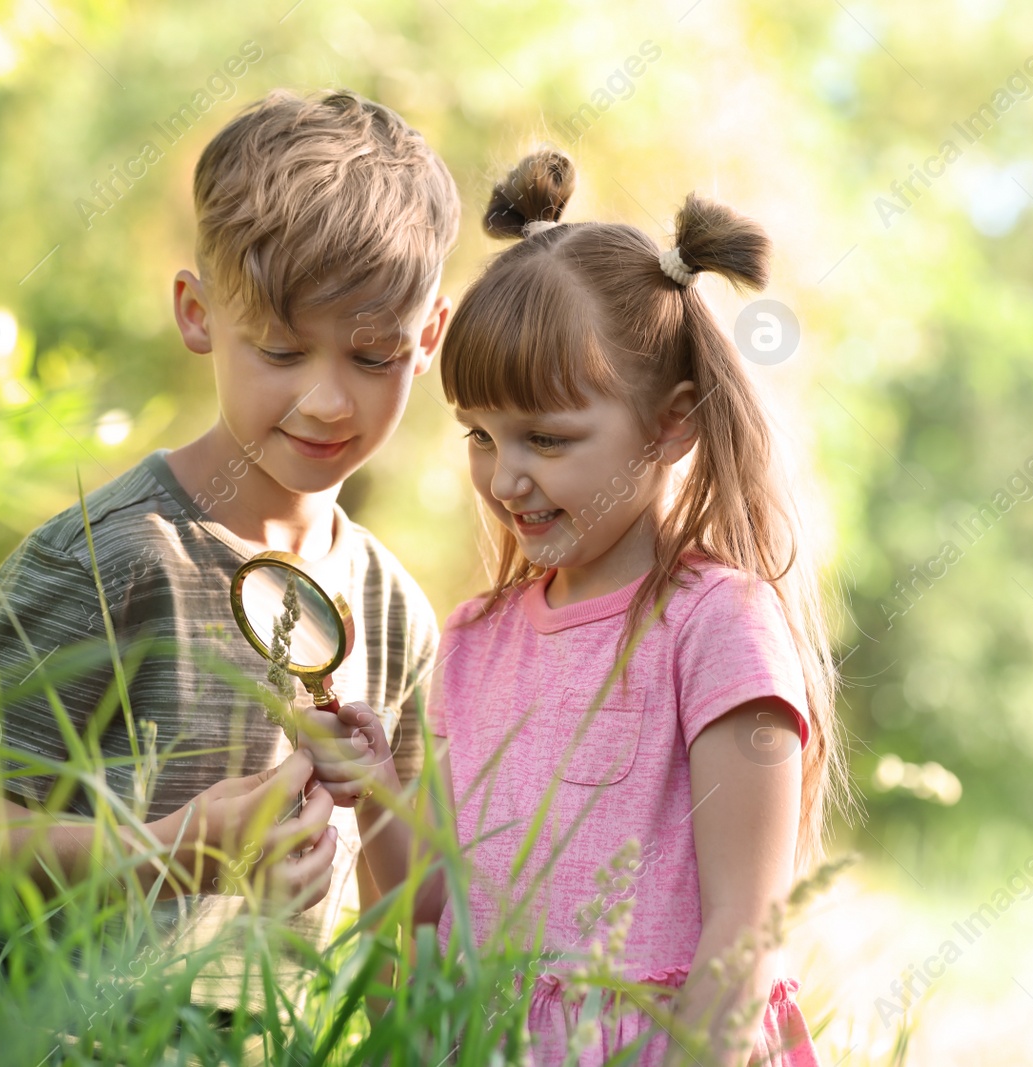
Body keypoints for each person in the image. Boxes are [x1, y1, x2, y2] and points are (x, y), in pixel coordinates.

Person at [0, 88, 460, 1011]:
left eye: (374, 357)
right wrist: (169, 854)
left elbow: (412, 920)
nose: (328, 402)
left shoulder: (393, 612)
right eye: (280, 351)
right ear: (198, 314)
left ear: (428, 338)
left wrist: (385, 806)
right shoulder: (109, 559)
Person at [302, 149, 858, 1064]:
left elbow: (743, 933)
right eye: (480, 434)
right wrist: (372, 799)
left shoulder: (717, 626)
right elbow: (435, 908)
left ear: (672, 421)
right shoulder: (477, 639)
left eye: (547, 438)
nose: (505, 475)